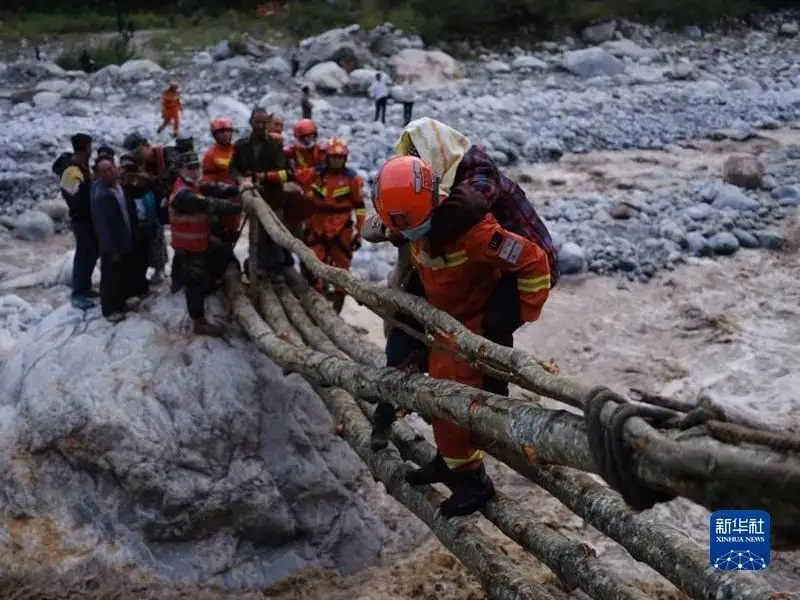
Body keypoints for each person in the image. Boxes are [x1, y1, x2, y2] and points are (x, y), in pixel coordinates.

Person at [371, 154, 553, 517]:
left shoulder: (477, 233)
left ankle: (474, 483)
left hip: (470, 328)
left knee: (463, 404)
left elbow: (534, 262)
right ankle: (452, 462)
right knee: (442, 401)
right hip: (442, 326)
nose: (404, 237)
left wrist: (512, 316)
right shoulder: (417, 223)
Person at [169, 152, 242, 337]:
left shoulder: (194, 185)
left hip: (200, 241)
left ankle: (210, 284)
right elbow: (210, 204)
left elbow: (215, 188)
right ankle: (198, 322)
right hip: (188, 246)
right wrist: (238, 207)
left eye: (196, 167)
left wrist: (237, 189)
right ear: (180, 170)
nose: (194, 171)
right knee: (195, 281)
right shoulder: (183, 194)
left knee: (223, 252)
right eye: (189, 168)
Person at [230, 107, 296, 276]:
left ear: (267, 124)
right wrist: (240, 180)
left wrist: (264, 177)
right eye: (257, 122)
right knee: (257, 237)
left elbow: (287, 173)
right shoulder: (241, 145)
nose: (260, 125)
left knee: (276, 236)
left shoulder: (275, 145)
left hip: (273, 199)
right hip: (252, 199)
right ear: (250, 122)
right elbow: (233, 168)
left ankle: (277, 273)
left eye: (263, 122)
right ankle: (259, 270)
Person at [304, 138, 365, 313]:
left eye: (340, 157)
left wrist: (359, 233)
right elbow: (301, 182)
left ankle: (336, 315)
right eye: (333, 157)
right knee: (314, 267)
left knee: (342, 273)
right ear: (327, 157)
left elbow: (359, 207)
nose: (336, 160)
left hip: (342, 230)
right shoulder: (316, 174)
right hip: (318, 226)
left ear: (345, 158)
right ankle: (317, 309)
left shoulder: (353, 180)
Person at [123, 132, 177, 287]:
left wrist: (149, 179)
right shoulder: (141, 166)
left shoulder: (167, 154)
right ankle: (159, 268)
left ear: (146, 145)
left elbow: (173, 176)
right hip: (159, 204)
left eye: (139, 152)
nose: (139, 157)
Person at [90, 158, 139, 322]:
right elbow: (102, 225)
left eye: (111, 169)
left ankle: (122, 302)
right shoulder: (101, 196)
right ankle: (110, 309)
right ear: (98, 175)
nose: (109, 173)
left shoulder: (118, 187)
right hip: (112, 243)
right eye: (104, 171)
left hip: (124, 237)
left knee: (122, 273)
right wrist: (109, 248)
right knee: (111, 277)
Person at [59, 133, 99, 310]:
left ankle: (85, 286)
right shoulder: (71, 172)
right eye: (90, 146)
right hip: (81, 220)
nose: (92, 150)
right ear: (85, 148)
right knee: (84, 253)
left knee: (90, 252)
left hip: (89, 218)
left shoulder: (83, 168)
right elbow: (73, 197)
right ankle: (79, 292)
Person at [202, 117, 243, 255]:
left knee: (232, 235)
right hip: (222, 205)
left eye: (228, 131)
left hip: (237, 203)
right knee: (221, 239)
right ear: (215, 134)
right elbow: (208, 185)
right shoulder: (210, 155)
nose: (226, 134)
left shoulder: (237, 151)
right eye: (221, 131)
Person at [119, 154, 158, 298]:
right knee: (130, 261)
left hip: (145, 225)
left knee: (143, 259)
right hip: (129, 229)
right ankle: (130, 290)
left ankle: (141, 288)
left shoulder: (142, 185)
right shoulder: (118, 188)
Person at [283, 118, 326, 239]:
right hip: (298, 195)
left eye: (310, 136)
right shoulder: (290, 153)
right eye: (303, 137)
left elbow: (326, 172)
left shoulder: (322, 151)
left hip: (317, 194)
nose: (307, 140)